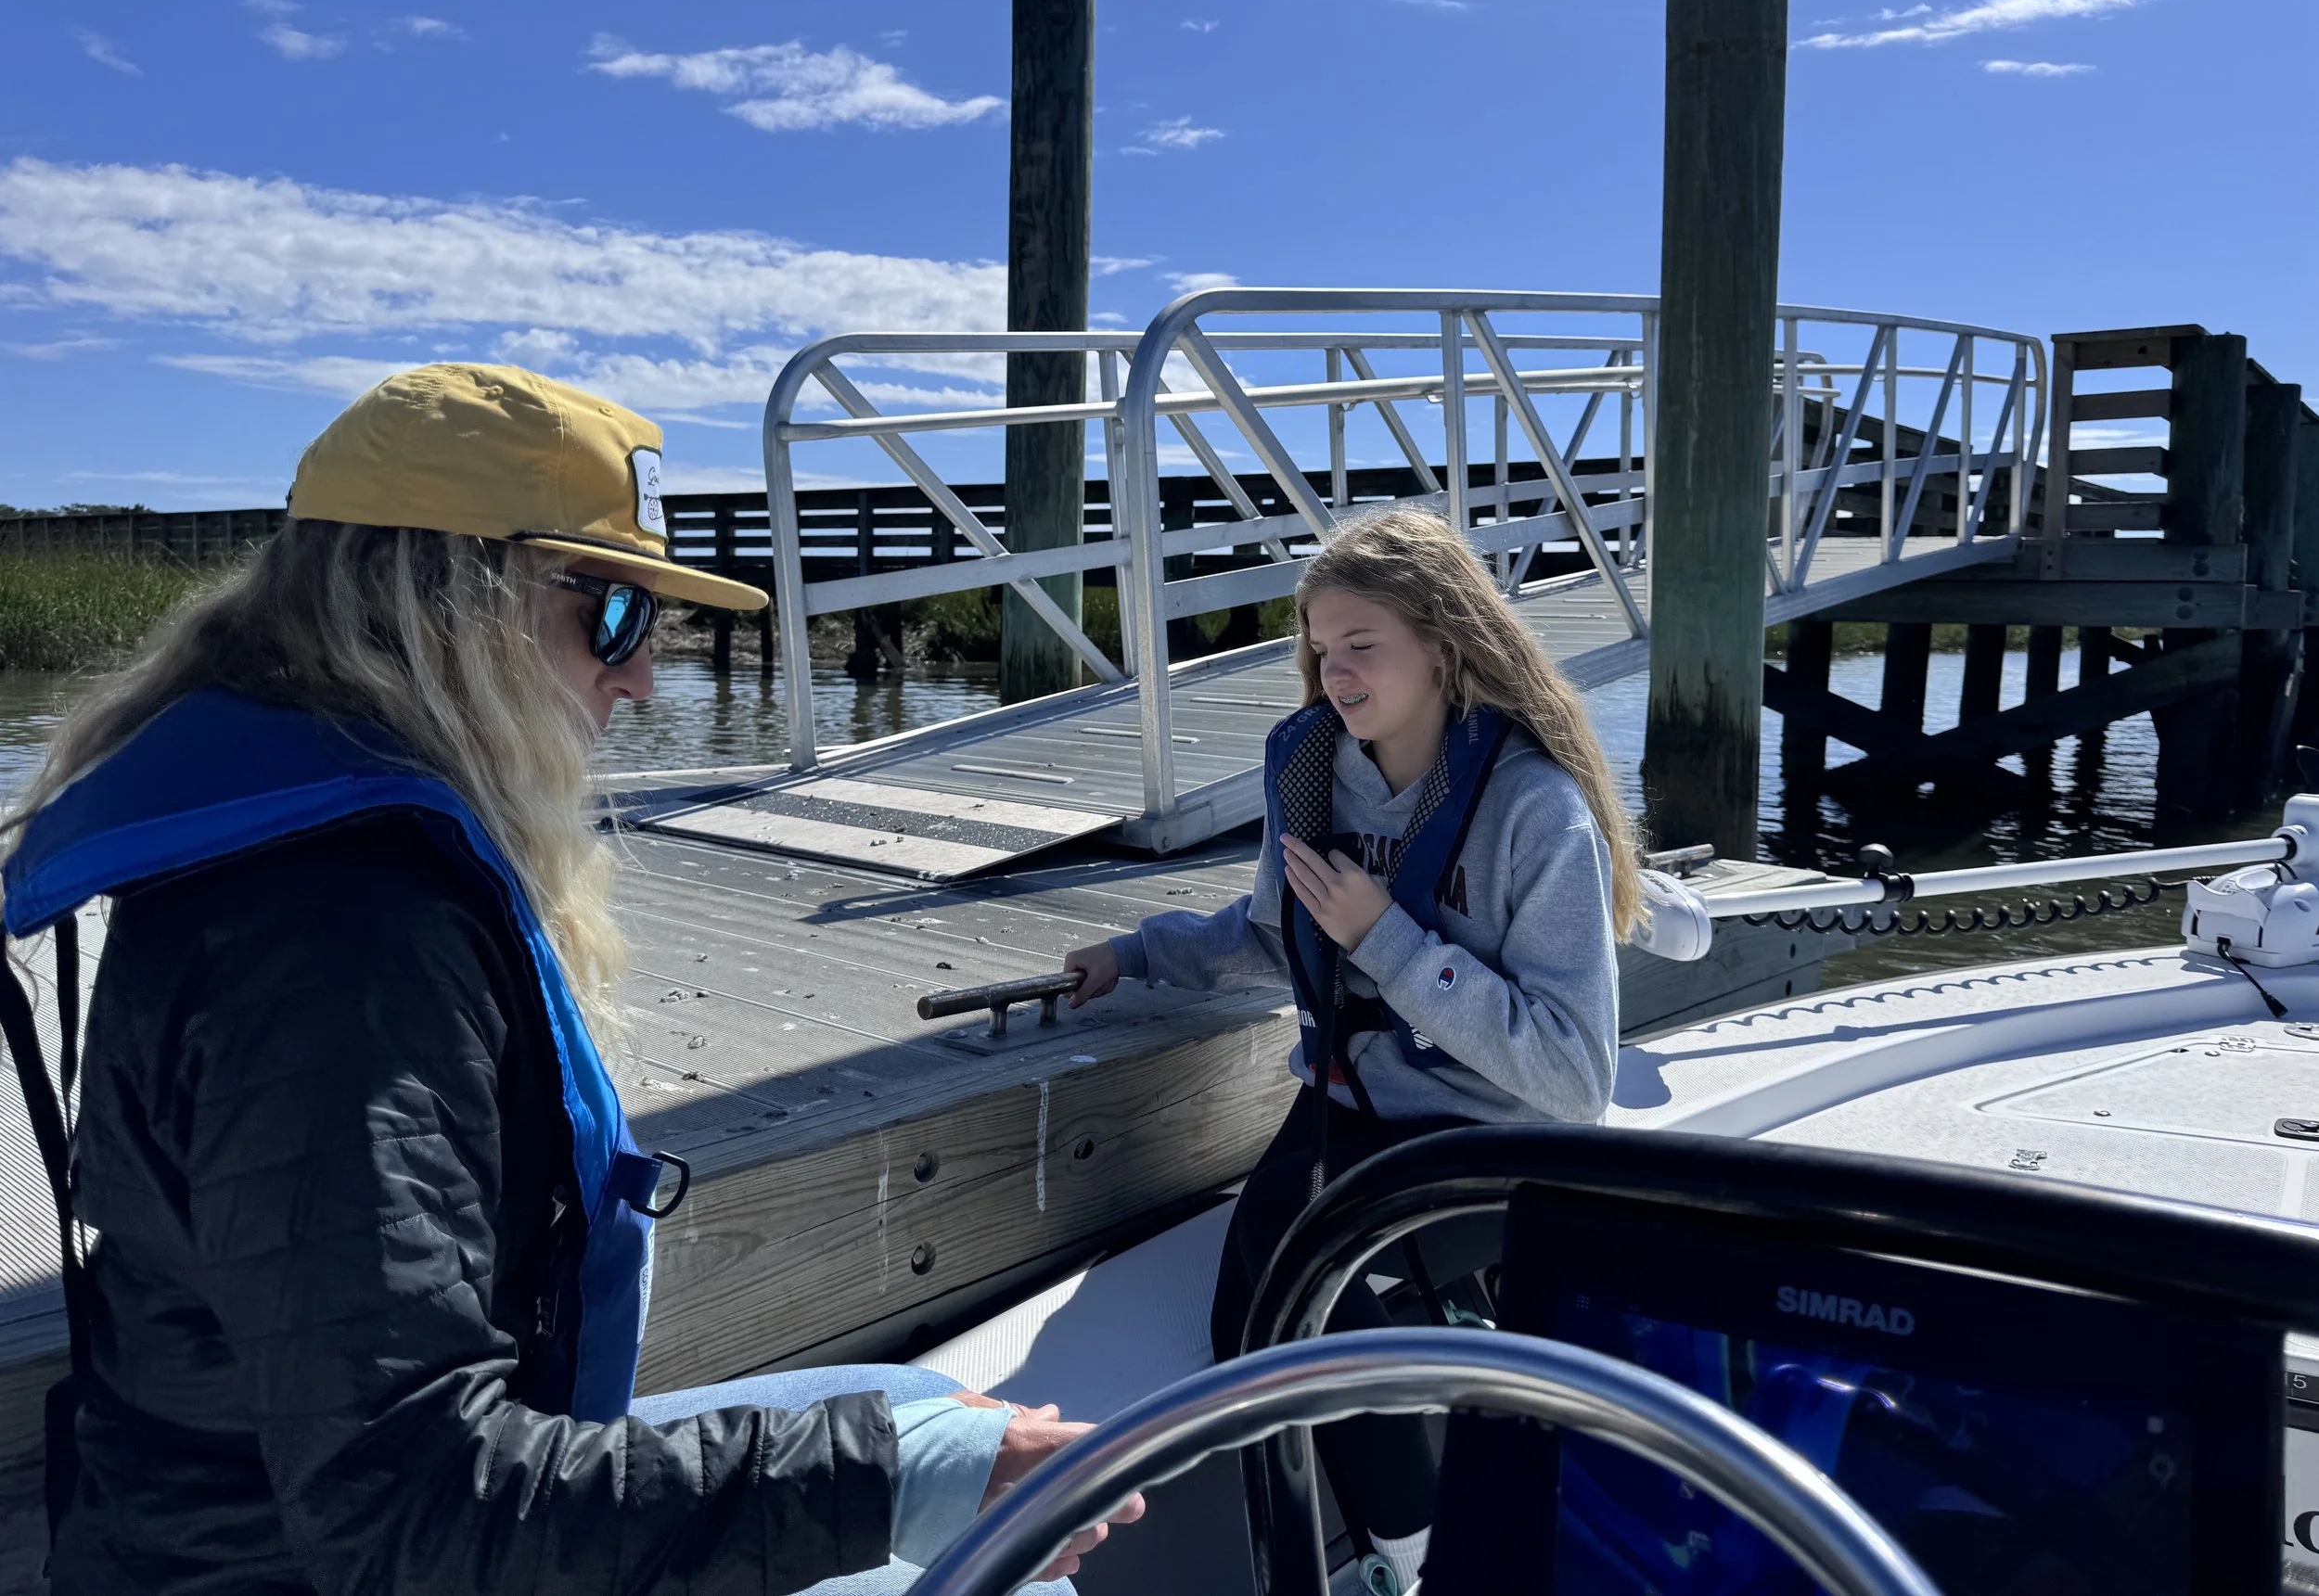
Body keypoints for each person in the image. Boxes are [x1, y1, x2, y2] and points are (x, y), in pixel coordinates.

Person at [0, 364, 1136, 1595]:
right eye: (616, 614)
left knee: (922, 1409)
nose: (642, 676)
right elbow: (411, 1512)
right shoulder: (340, 951)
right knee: (982, 1527)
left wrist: (908, 1456)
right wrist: (891, 1481)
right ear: (447, 602)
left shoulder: (322, 872)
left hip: (280, 1523)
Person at [1061, 505, 1641, 1595]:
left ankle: (1417, 1560)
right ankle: (1367, 1526)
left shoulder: (1535, 810)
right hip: (1347, 1110)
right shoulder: (1313, 774)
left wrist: (1390, 940)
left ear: (1443, 645)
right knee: (1251, 1316)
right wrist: (1134, 955)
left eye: (1361, 644)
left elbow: (1574, 1079)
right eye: (1320, 647)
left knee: (1294, 1255)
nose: (1333, 672)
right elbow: (1273, 937)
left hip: (1488, 1138)